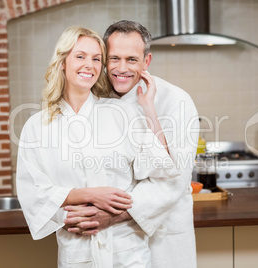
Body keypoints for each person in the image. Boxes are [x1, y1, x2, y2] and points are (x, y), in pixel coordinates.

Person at [16, 26, 179, 267]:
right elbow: (33, 192)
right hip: (77, 254)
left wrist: (148, 108)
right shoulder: (37, 127)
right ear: (62, 62)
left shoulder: (122, 113)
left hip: (128, 253)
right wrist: (87, 196)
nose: (89, 65)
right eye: (80, 56)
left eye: (96, 59)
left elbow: (162, 173)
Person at [64, 20, 199, 268]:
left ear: (146, 62)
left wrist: (113, 215)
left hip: (164, 235)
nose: (122, 68)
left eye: (132, 59)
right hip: (112, 241)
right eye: (114, 58)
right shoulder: (95, 98)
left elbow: (174, 179)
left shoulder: (176, 101)